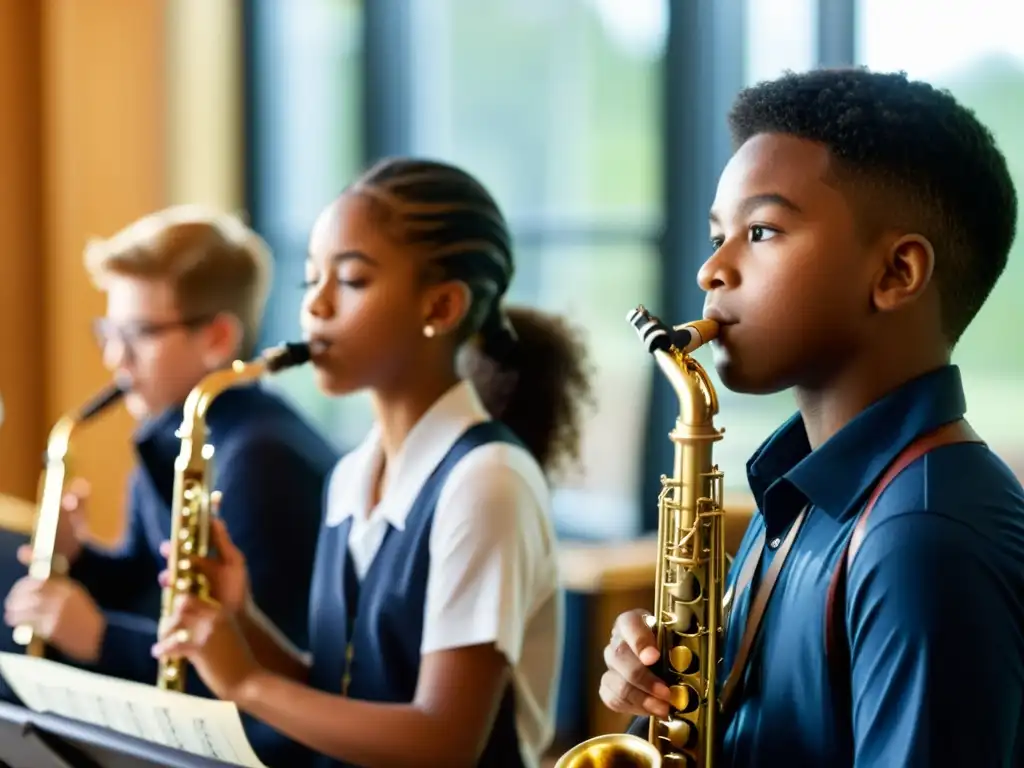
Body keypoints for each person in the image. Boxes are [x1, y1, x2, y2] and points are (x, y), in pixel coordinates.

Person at [597, 67, 1024, 767]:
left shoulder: (922, 538)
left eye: (760, 231)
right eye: (717, 234)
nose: (711, 271)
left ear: (896, 274)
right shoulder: (801, 495)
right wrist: (661, 686)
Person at [149, 157, 595, 767]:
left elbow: (443, 741)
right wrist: (243, 620)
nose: (317, 307)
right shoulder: (352, 475)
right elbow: (344, 696)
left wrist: (248, 686)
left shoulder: (486, 482)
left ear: (441, 307)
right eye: (311, 280)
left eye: (352, 281)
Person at [2, 205, 339, 766]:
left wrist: (101, 638)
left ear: (217, 338)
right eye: (108, 332)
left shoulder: (260, 460)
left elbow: (258, 671)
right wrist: (78, 558)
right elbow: (149, 584)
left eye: (137, 334)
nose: (115, 358)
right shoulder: (171, 431)